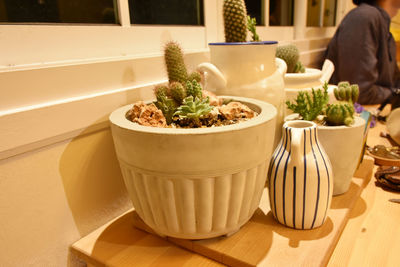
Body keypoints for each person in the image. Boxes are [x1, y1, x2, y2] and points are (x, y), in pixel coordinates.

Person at [325, 0, 400, 105]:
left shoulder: (386, 30)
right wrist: (394, 94)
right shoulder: (363, 17)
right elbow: (360, 93)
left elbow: (394, 82)